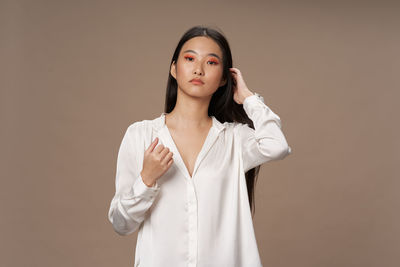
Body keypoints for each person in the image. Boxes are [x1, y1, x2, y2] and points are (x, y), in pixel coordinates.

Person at [107, 25, 292, 267]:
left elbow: (276, 145)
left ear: (225, 78)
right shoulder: (140, 135)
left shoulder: (233, 140)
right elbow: (121, 224)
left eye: (212, 62)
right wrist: (146, 179)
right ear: (174, 68)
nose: (198, 69)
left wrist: (248, 98)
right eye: (190, 58)